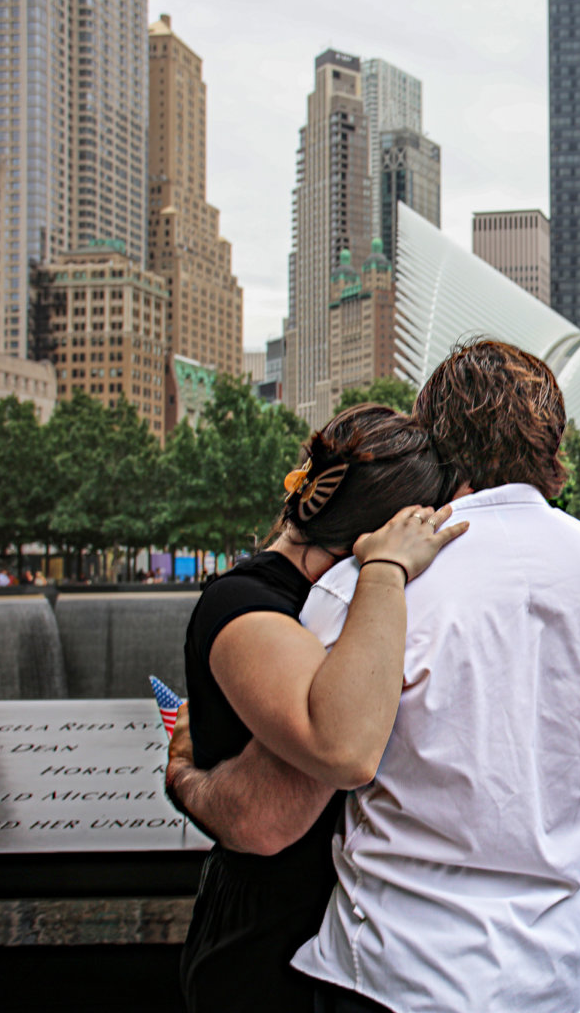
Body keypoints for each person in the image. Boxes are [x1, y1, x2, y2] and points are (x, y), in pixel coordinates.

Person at [169, 342, 580, 1013]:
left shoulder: (365, 587)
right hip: (550, 981)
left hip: (388, 978)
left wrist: (190, 779)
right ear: (555, 449)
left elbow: (276, 807)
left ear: (434, 443)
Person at [165, 404, 468, 1013]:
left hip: (360, 942)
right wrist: (384, 572)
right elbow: (328, 767)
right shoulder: (244, 605)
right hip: (269, 953)